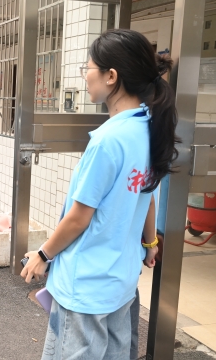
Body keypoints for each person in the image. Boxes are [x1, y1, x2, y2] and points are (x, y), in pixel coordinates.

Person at [21, 29, 180, 359]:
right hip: (121, 282)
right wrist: (150, 244)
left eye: (88, 68)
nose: (85, 76)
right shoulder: (148, 128)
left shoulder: (108, 141)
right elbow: (146, 194)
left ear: (111, 76)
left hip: (86, 285)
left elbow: (79, 218)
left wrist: (43, 255)